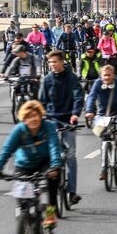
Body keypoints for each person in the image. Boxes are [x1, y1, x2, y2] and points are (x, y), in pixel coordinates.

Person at [0, 100, 61, 228]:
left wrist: (55, 165)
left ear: (40, 115)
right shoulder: (19, 130)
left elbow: (54, 147)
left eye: (35, 115)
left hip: (45, 162)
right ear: (24, 119)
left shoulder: (49, 126)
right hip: (24, 165)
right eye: (28, 117)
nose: (33, 119)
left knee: (52, 182)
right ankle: (25, 229)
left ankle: (50, 212)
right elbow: (7, 149)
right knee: (22, 199)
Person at [39, 50, 84, 205]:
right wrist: (42, 118)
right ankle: (50, 185)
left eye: (55, 62)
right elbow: (41, 102)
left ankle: (72, 192)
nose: (52, 65)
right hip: (51, 122)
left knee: (70, 156)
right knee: (52, 156)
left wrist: (75, 114)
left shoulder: (71, 78)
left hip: (68, 121)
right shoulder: (47, 80)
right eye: (50, 62)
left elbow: (79, 96)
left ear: (62, 62)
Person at [85, 65, 117, 178]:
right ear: (101, 76)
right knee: (101, 135)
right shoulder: (97, 83)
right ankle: (104, 168)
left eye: (109, 75)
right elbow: (91, 97)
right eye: (104, 75)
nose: (106, 77)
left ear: (113, 75)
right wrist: (90, 111)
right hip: (103, 113)